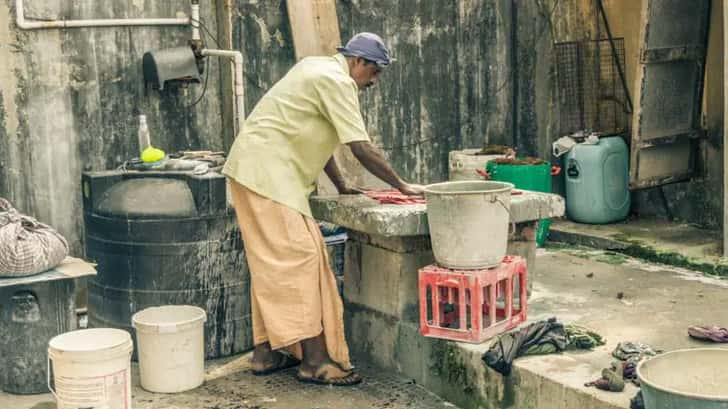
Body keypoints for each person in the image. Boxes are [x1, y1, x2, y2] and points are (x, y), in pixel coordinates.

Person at [222, 32, 423, 386]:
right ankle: (314, 361)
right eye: (374, 73)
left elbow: (318, 134)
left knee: (274, 262)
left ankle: (265, 353)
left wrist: (343, 184)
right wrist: (402, 185)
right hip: (267, 175)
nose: (374, 83)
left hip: (255, 170)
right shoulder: (337, 81)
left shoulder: (314, 68)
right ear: (357, 62)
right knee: (300, 260)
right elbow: (360, 146)